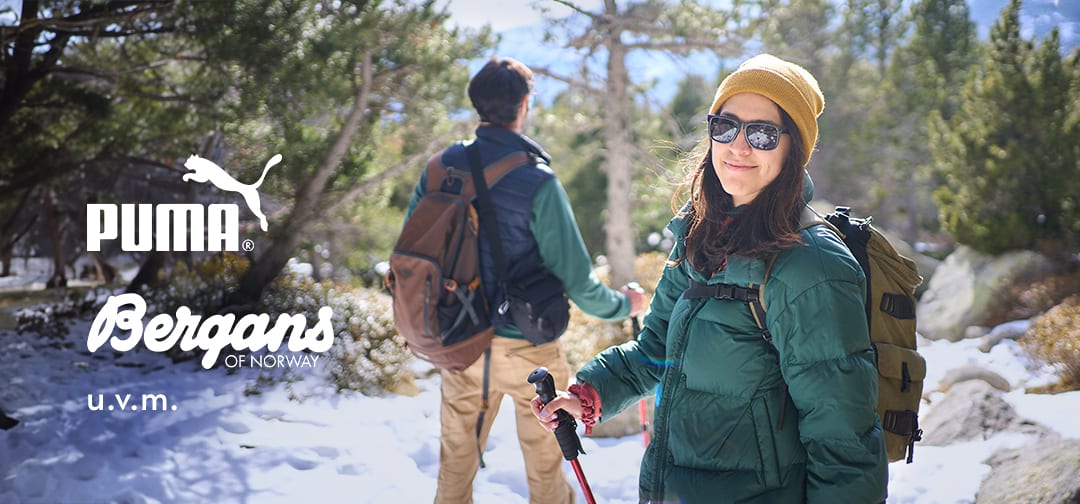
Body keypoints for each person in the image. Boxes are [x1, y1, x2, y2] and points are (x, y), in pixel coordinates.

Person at [532, 54, 888, 503]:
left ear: (793, 149)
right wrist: (588, 394)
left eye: (762, 134)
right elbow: (656, 348)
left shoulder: (810, 265)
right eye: (725, 126)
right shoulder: (702, 235)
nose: (738, 146)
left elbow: (843, 440)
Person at [403, 56, 647, 504]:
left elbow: (414, 251)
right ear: (524, 104)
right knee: (546, 465)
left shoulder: (440, 169)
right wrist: (623, 306)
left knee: (455, 467)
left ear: (477, 104)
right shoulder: (537, 180)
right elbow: (579, 283)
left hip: (460, 342)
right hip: (531, 349)